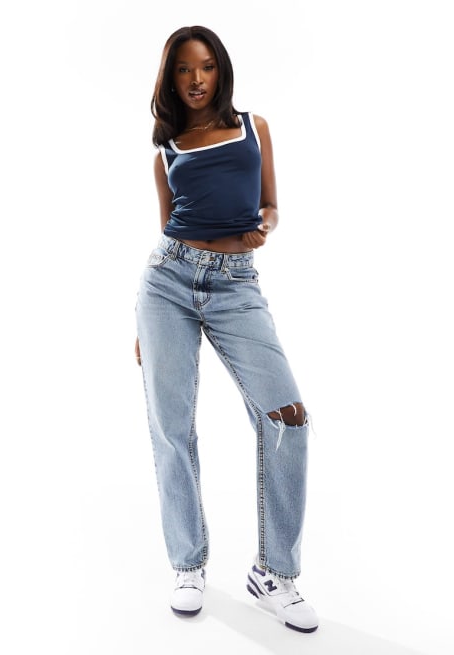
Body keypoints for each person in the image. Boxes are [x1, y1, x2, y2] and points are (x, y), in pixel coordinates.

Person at [134, 25, 318, 634]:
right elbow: (168, 232)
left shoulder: (253, 127)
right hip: (167, 285)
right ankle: (188, 565)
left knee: (288, 415)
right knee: (172, 425)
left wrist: (265, 224)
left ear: (221, 70)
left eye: (206, 66)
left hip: (237, 285)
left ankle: (275, 574)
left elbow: (272, 205)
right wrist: (143, 323)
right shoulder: (167, 151)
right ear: (171, 78)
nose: (196, 79)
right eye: (184, 69)